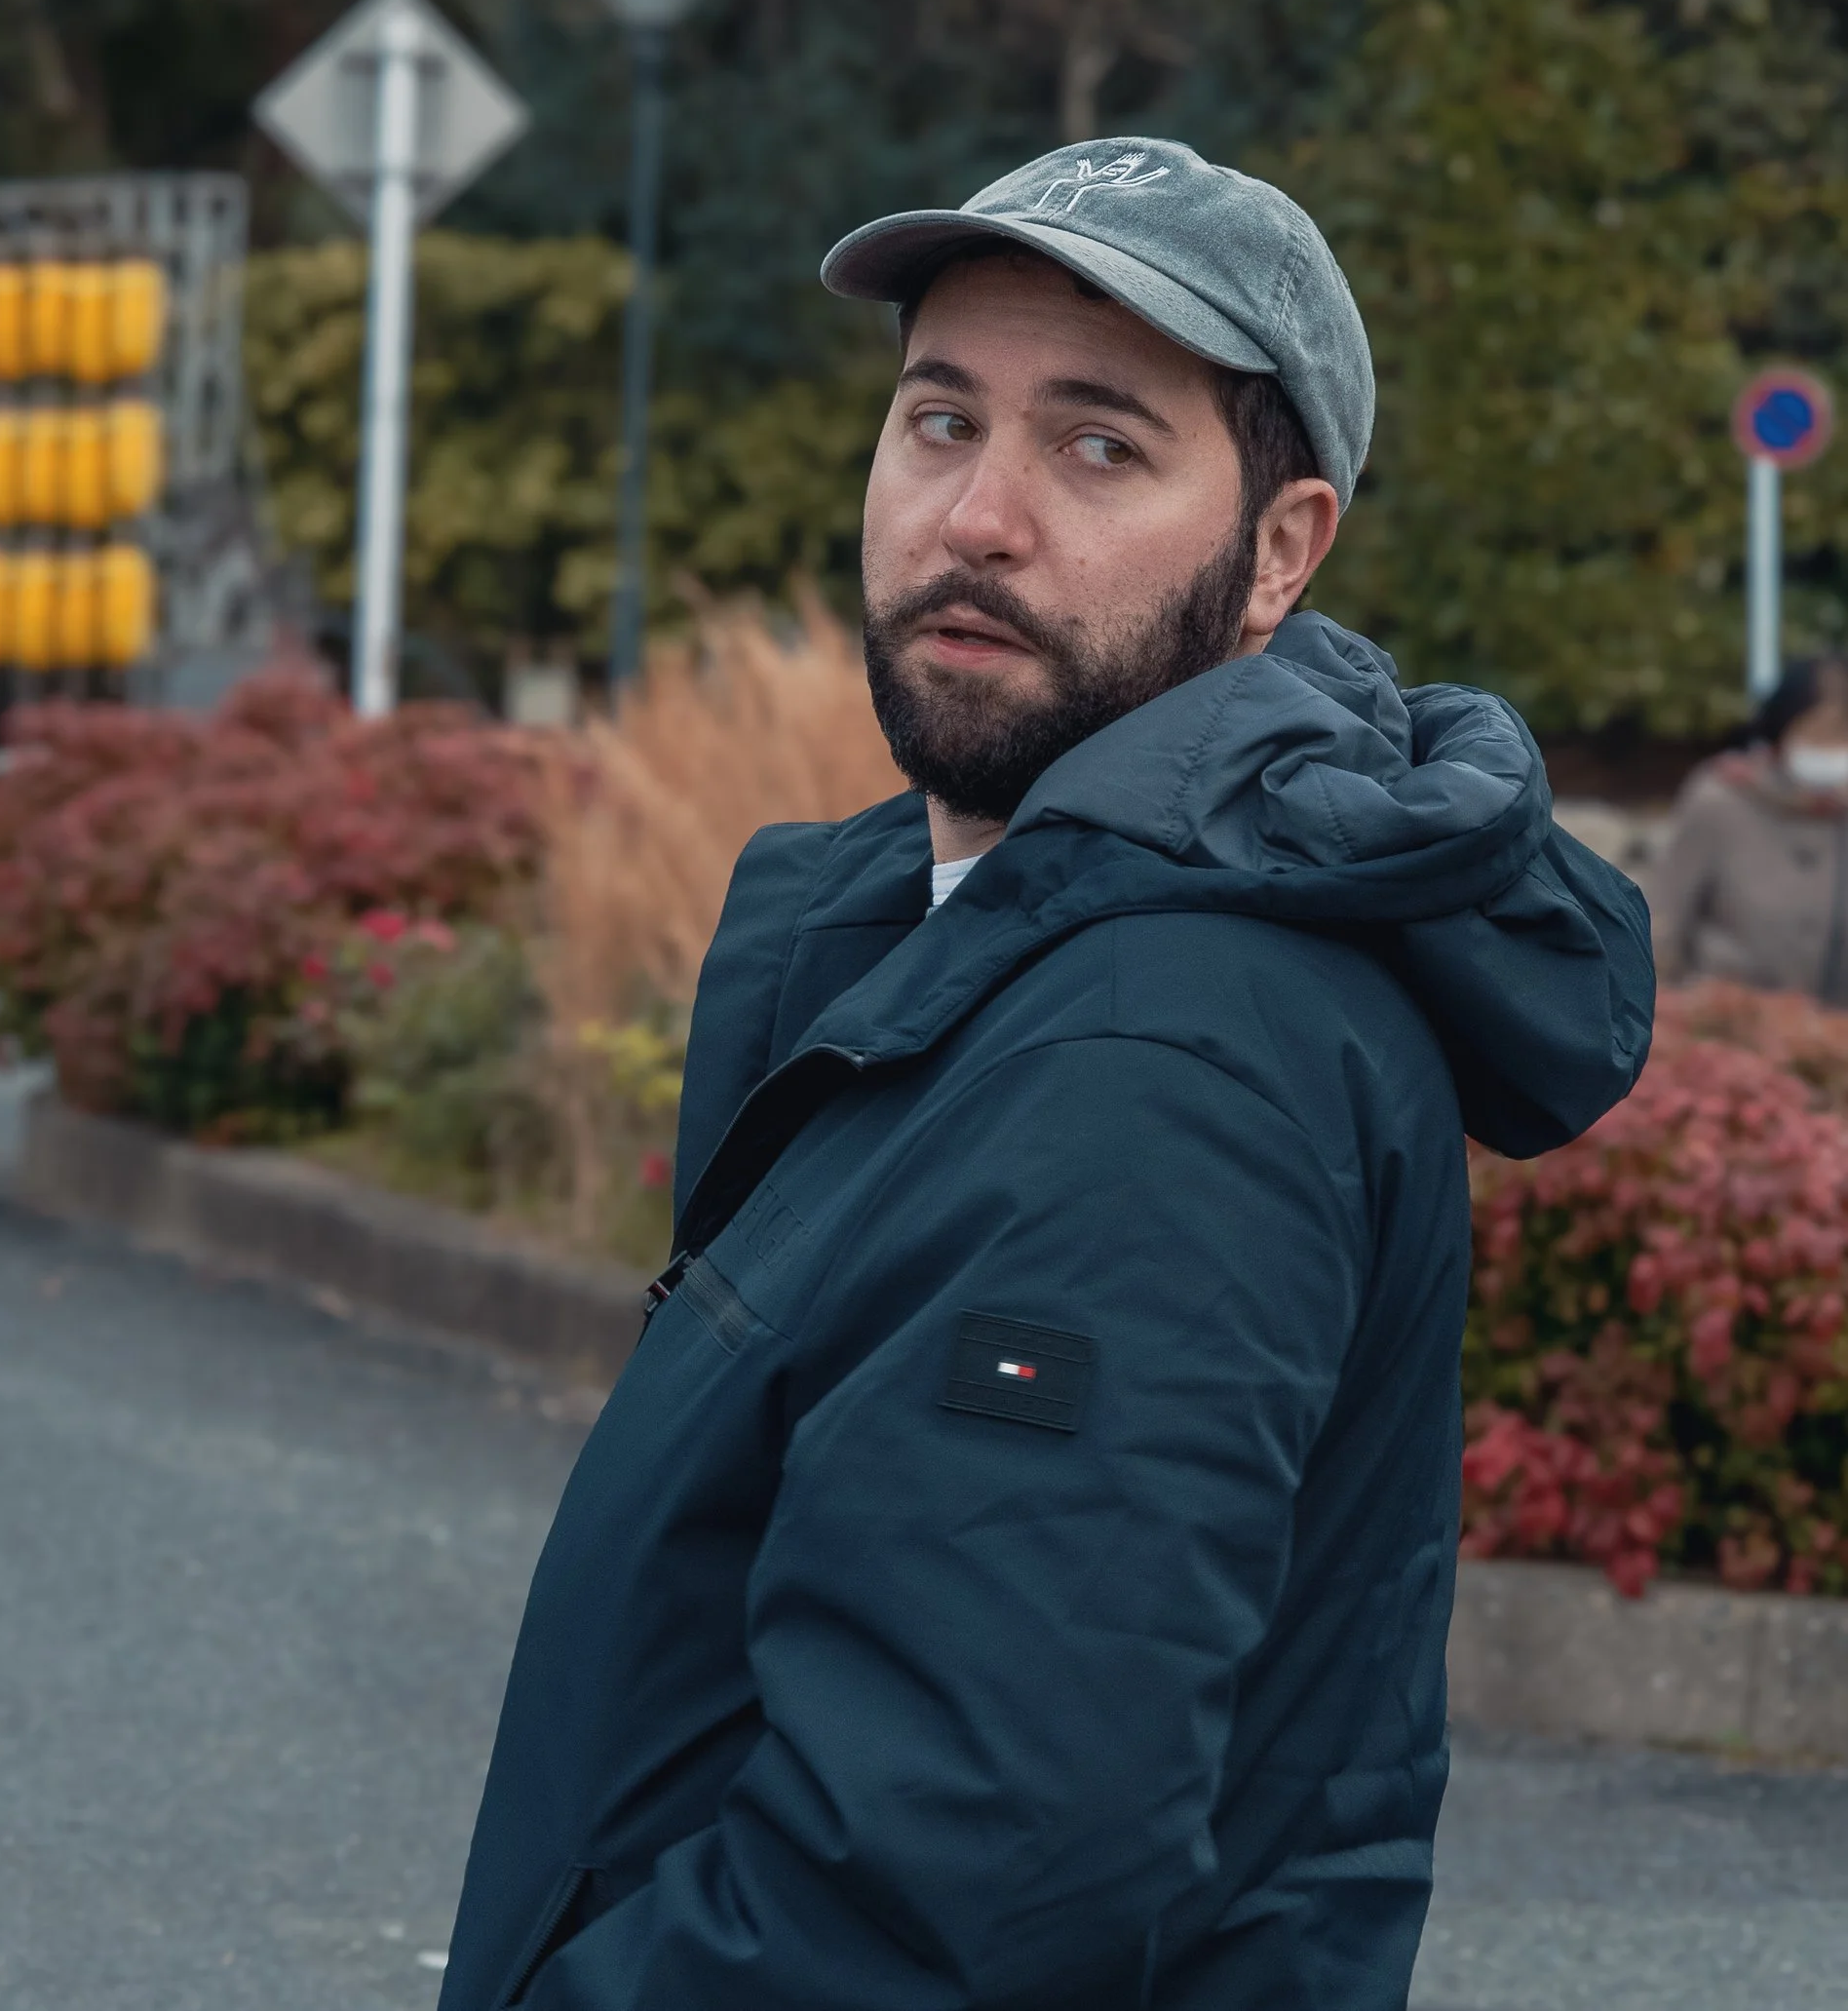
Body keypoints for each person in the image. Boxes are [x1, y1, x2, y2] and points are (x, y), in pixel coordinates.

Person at [438, 137, 1653, 2011]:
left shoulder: (1163, 1056)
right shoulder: (970, 933)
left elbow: (950, 1900)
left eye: (1099, 447)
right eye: (941, 421)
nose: (981, 517)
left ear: (1280, 555)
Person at [1647, 654, 1848, 1002]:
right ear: (1785, 725)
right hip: (1729, 1030)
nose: (1833, 747)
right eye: (1821, 731)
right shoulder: (1723, 799)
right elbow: (1660, 924)